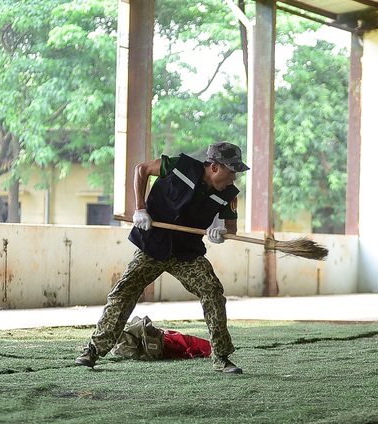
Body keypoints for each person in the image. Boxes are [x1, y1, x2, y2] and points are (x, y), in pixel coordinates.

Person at [75, 142, 249, 373]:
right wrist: (140, 209)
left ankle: (222, 357)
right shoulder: (179, 166)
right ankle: (93, 350)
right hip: (153, 245)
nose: (234, 177)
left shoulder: (229, 194)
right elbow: (141, 169)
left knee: (212, 291)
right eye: (231, 170)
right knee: (124, 291)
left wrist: (223, 233)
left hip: (186, 253)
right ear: (215, 167)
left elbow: (231, 228)